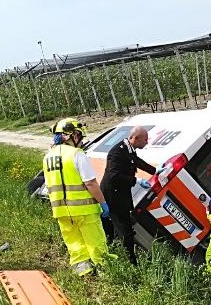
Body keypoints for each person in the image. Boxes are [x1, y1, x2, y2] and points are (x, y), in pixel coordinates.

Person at [43, 118, 114, 276]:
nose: (81, 141)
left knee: (74, 243)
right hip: (84, 209)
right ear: (73, 135)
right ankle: (104, 270)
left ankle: (84, 272)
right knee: (95, 241)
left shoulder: (47, 157)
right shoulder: (77, 154)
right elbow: (90, 183)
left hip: (61, 211)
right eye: (80, 136)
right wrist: (103, 203)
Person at [100, 126, 157, 265]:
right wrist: (136, 180)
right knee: (125, 230)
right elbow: (114, 176)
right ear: (135, 138)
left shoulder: (128, 149)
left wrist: (155, 171)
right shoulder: (117, 152)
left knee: (120, 228)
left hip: (121, 195)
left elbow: (136, 161)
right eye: (145, 139)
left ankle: (119, 254)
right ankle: (130, 262)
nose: (147, 142)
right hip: (114, 197)